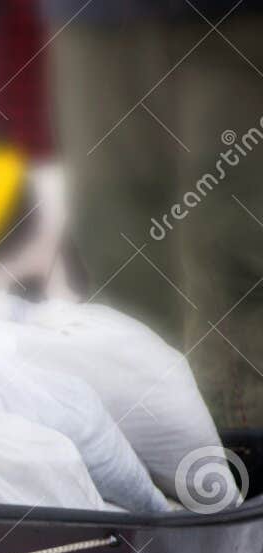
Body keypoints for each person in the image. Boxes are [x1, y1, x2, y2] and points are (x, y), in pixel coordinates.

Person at [48, 0, 263, 431]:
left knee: (234, 256)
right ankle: (154, 450)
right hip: (95, 21)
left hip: (237, 22)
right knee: (119, 258)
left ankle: (241, 461)